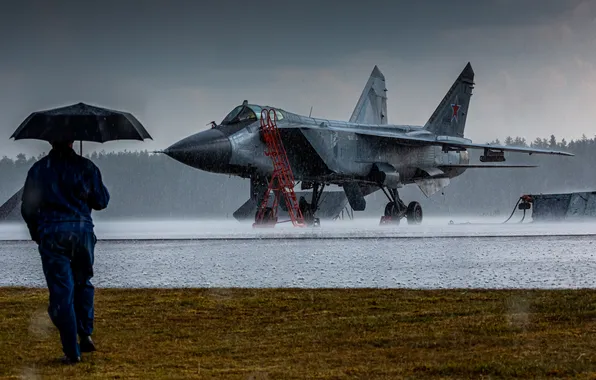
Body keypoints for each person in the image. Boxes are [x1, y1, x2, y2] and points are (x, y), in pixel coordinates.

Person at [21, 140, 110, 364]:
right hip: (82, 234)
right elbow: (101, 201)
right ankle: (85, 332)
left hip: (52, 234)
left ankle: (72, 350)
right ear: (72, 141)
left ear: (50, 141)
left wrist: (37, 234)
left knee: (61, 292)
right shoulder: (87, 167)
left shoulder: (39, 170)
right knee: (83, 282)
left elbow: (27, 209)